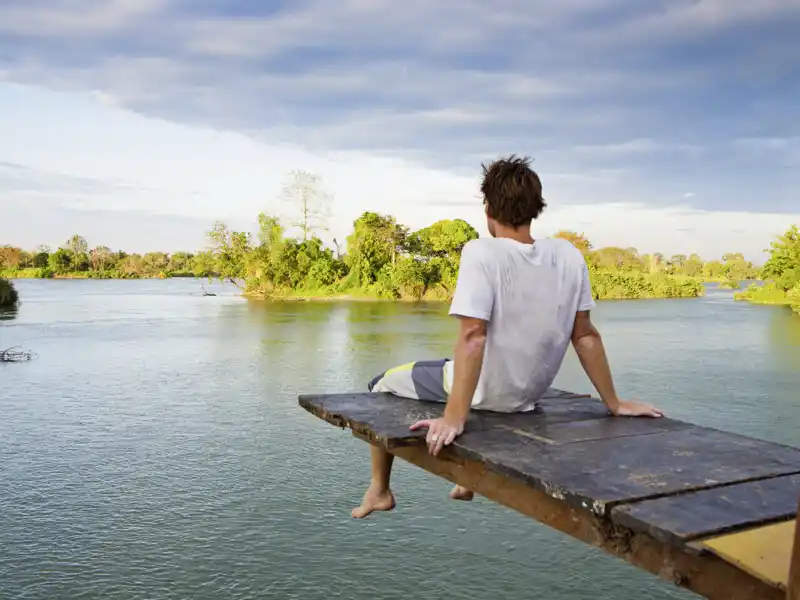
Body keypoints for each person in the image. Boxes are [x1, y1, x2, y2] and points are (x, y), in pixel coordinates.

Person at [352, 155, 663, 519]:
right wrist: (615, 402)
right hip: (527, 396)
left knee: (380, 383)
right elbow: (586, 336)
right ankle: (467, 479)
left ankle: (380, 489)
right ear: (536, 208)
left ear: (488, 210)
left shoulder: (481, 251)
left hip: (488, 394)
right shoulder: (568, 255)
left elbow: (473, 336)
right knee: (444, 367)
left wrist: (454, 418)